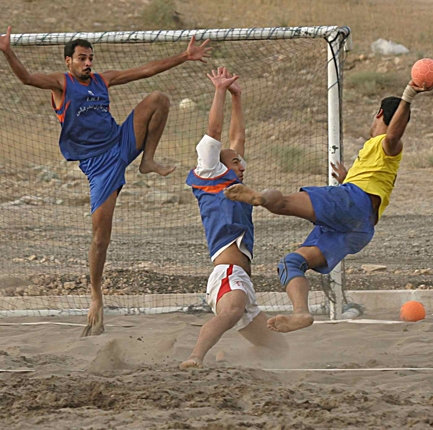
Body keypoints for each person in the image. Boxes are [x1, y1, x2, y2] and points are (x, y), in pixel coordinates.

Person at [0, 26, 212, 336]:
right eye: (82, 58)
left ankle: (147, 160)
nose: (88, 63)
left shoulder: (103, 80)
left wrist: (184, 56)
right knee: (100, 237)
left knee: (158, 98)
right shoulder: (62, 84)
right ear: (68, 62)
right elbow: (26, 78)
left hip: (121, 142)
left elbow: (146, 70)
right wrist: (7, 51)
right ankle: (96, 296)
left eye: (90, 58)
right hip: (98, 165)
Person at [224, 79, 432, 333]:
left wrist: (409, 94)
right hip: (360, 227)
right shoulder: (374, 154)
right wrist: (349, 177)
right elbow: (375, 183)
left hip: (352, 201)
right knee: (291, 262)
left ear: (379, 114)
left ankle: (258, 198)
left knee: (284, 203)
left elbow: (394, 134)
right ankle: (301, 313)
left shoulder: (388, 144)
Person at [180, 67, 287, 370]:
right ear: (216, 162)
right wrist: (219, 90)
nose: (241, 164)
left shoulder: (233, 181)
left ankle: (228, 360)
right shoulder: (209, 174)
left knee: (279, 348)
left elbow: (236, 136)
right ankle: (194, 357)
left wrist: (237, 97)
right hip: (227, 273)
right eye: (235, 160)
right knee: (228, 314)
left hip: (242, 280)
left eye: (240, 161)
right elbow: (215, 132)